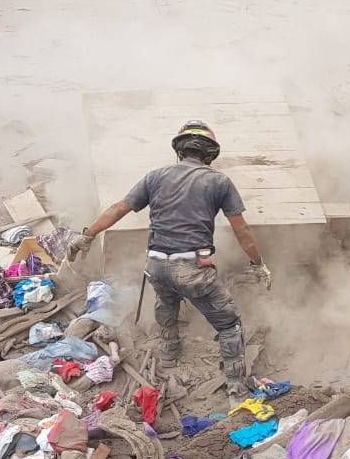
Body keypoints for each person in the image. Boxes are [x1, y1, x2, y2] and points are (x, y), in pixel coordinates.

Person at [68, 122, 272, 396]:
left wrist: (88, 235)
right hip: (193, 268)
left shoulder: (155, 176)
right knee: (228, 323)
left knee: (167, 301)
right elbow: (241, 230)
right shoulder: (218, 181)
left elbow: (119, 208)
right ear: (210, 154)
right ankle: (236, 384)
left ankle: (168, 354)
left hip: (156, 265)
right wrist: (258, 263)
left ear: (179, 150)